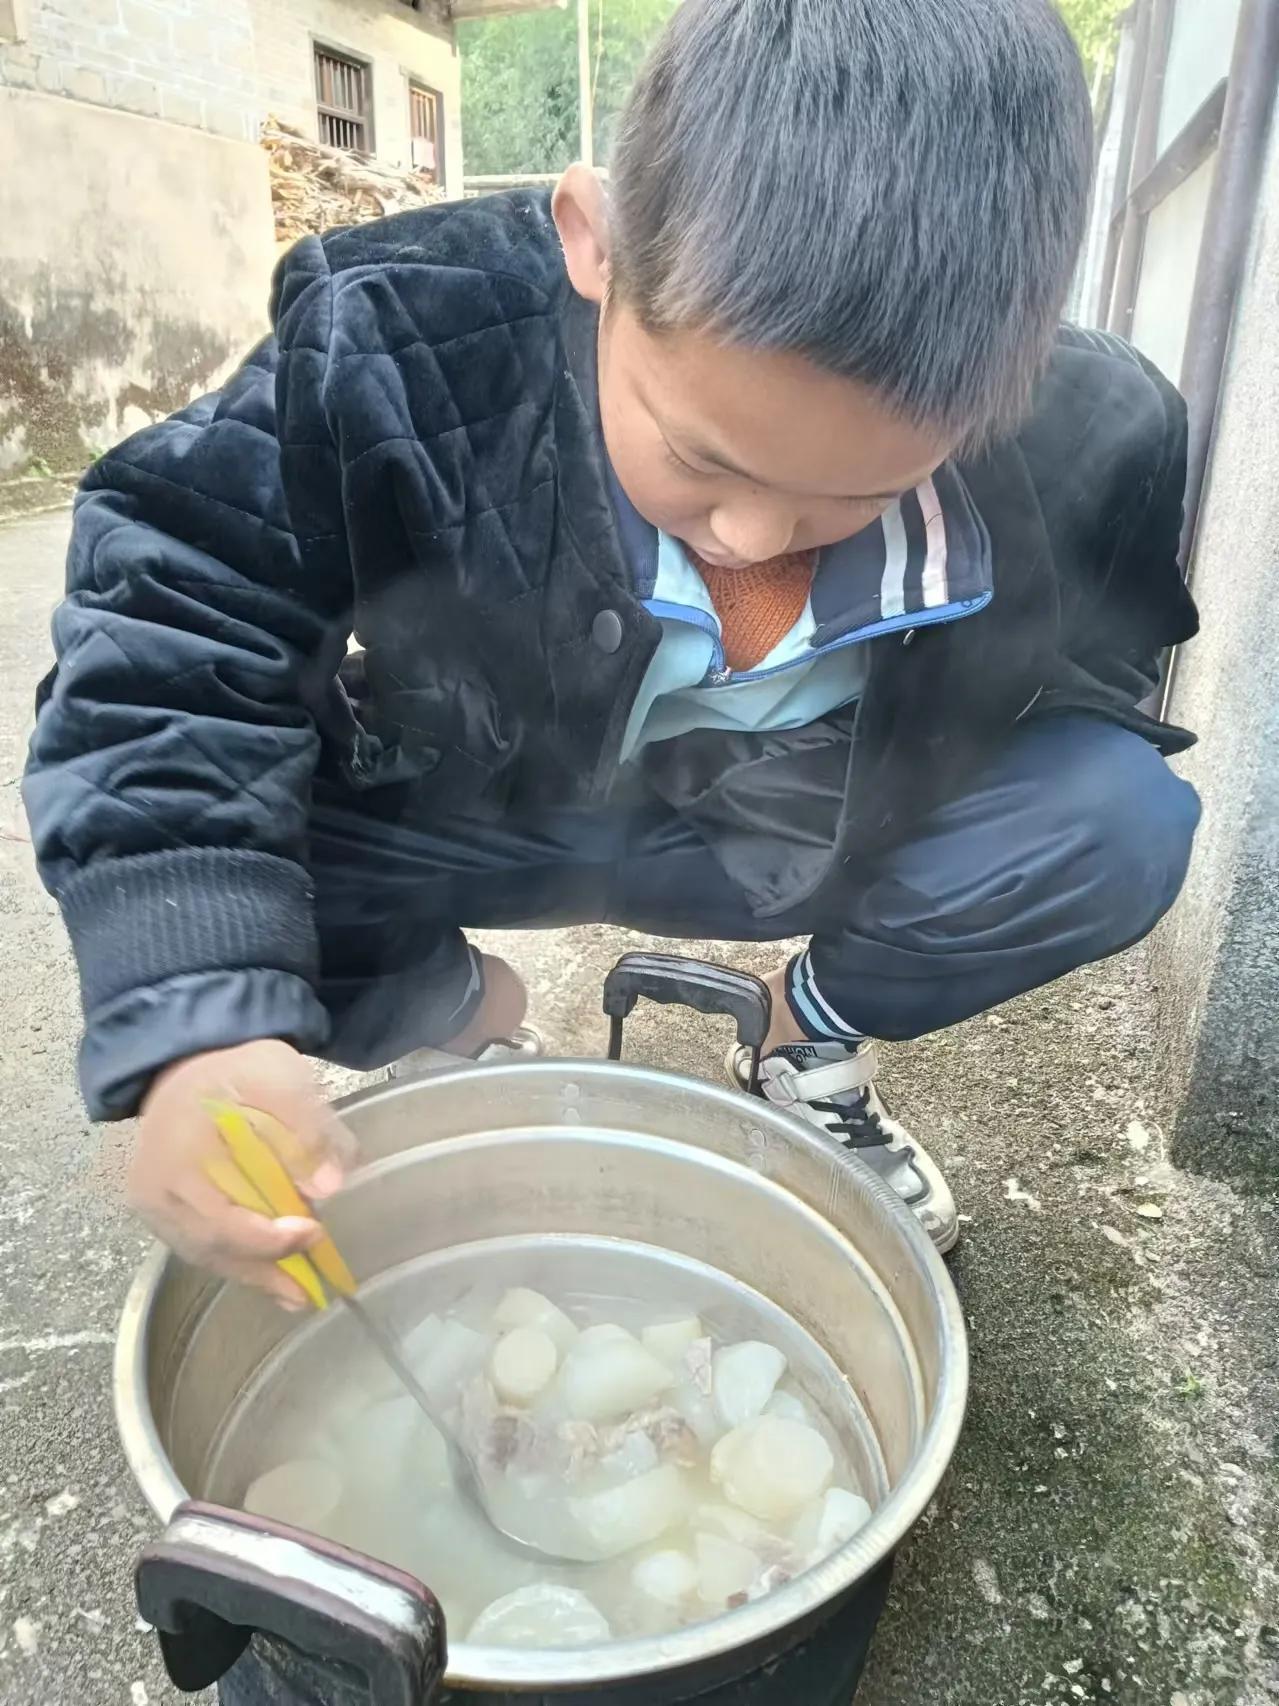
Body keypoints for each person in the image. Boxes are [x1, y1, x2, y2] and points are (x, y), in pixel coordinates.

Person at [25, 0, 1200, 1299]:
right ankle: (462, 1025)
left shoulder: (1084, 441)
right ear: (594, 243)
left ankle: (806, 1044)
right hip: (485, 808)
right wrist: (202, 1008)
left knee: (1118, 813)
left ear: (1002, 394)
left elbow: (1087, 683)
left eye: (847, 496)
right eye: (702, 453)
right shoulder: (406, 339)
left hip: (790, 835)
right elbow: (175, 613)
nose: (754, 536)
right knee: (222, 861)